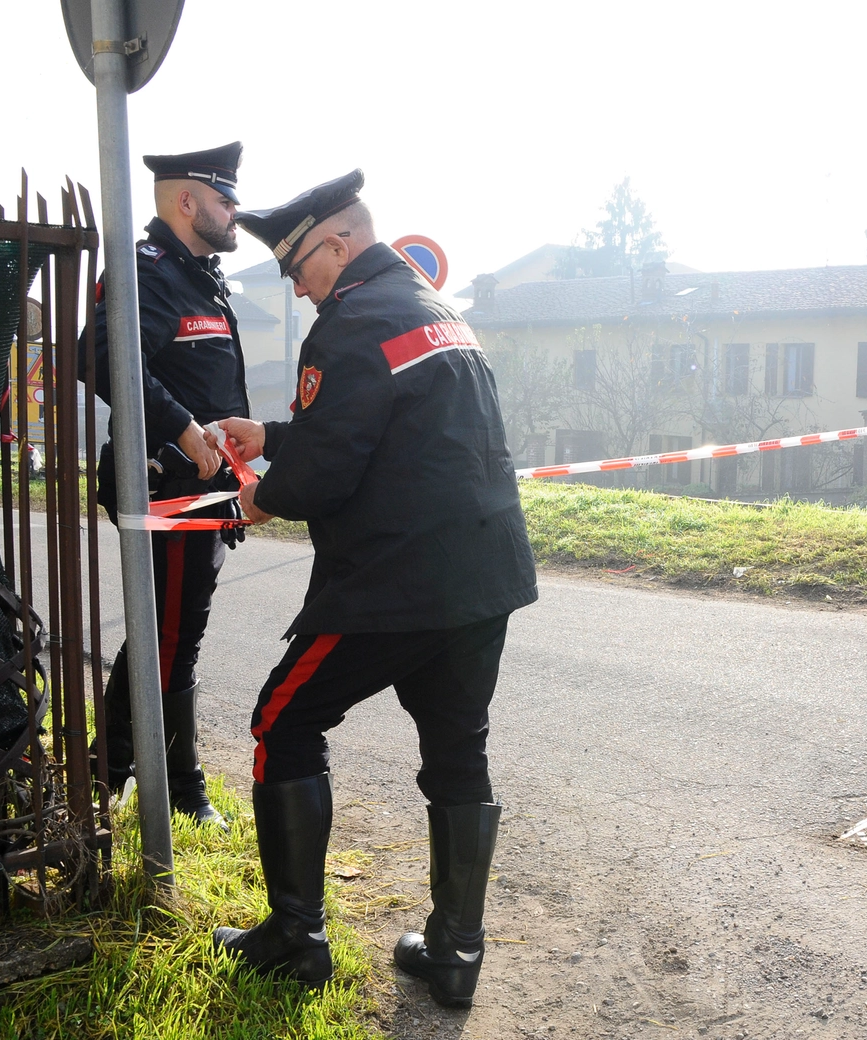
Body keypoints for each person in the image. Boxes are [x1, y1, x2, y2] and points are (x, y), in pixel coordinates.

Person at [209, 171, 537, 1001]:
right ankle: (457, 955)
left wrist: (263, 490)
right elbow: (385, 425)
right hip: (484, 575)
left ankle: (294, 937)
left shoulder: (351, 321)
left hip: (399, 580)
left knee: (283, 720)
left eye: (297, 264)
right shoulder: (433, 310)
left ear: (340, 242)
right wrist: (278, 435)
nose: (295, 282)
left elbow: (328, 471)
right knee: (458, 750)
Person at [79, 142, 251, 828]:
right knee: (171, 636)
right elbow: (99, 356)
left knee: (167, 635)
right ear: (187, 201)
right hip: (168, 485)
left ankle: (114, 770)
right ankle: (177, 788)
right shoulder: (147, 272)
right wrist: (182, 427)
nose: (234, 212)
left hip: (207, 489)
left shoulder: (199, 276)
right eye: (224, 199)